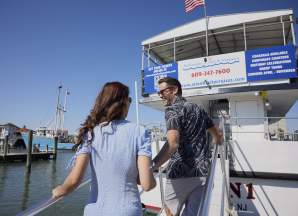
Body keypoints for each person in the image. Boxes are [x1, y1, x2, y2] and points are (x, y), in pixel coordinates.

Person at [52, 82, 156, 215]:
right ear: (123, 102)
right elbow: (146, 184)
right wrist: (154, 175)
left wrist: (60, 189)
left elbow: (73, 181)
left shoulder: (90, 133)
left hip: (94, 211)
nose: (130, 103)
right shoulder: (140, 132)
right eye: (129, 99)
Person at [152, 77, 222, 216]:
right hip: (202, 173)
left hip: (180, 175)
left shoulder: (172, 110)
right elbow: (217, 133)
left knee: (170, 213)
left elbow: (173, 143)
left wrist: (152, 166)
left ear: (174, 90)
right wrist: (217, 141)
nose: (160, 96)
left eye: (162, 92)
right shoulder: (198, 108)